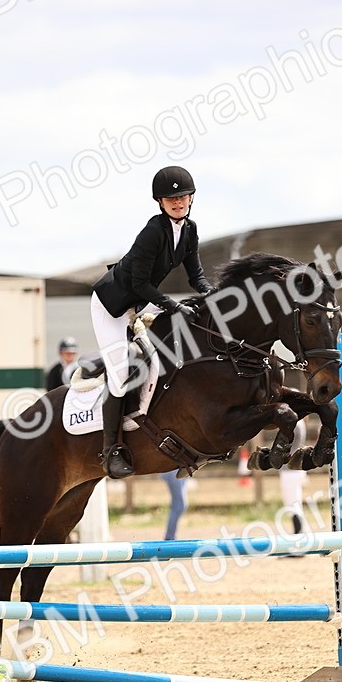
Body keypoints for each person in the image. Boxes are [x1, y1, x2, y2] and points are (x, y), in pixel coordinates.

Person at [91, 165, 214, 479]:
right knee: (120, 374)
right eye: (171, 198)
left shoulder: (190, 230)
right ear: (160, 201)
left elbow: (196, 276)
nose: (178, 202)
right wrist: (172, 305)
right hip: (112, 306)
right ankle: (111, 450)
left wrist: (213, 294)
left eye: (183, 196)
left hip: (140, 300)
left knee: (182, 331)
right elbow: (139, 284)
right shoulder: (153, 232)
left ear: (191, 198)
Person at [159, 470, 189, 540]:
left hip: (178, 469)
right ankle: (169, 537)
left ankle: (170, 536)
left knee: (179, 505)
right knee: (179, 505)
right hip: (174, 470)